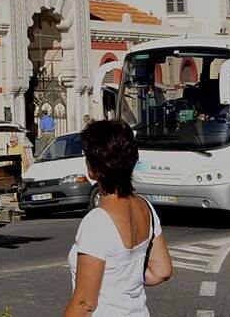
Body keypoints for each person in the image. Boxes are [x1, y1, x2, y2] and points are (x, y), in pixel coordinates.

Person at [65, 120, 173, 316]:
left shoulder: (98, 221)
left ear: (94, 167)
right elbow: (162, 271)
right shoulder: (145, 207)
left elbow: (84, 303)